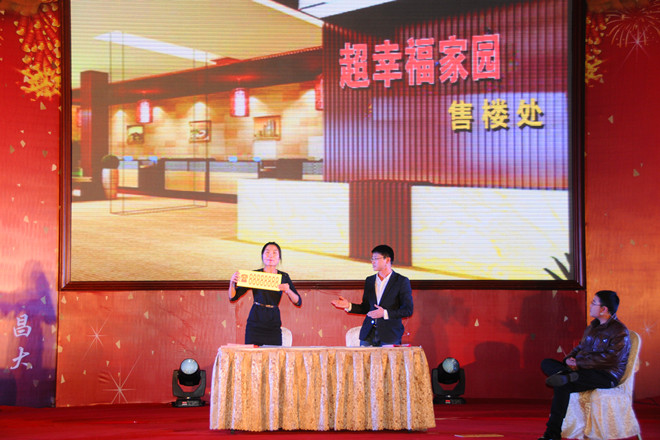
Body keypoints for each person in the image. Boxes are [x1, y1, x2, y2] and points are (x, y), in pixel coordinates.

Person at [538, 290, 631, 440]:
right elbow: (580, 348)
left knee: (563, 384)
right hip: (582, 371)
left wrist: (579, 363)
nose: (590, 306)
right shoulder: (592, 327)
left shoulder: (620, 331)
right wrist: (569, 359)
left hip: (605, 375)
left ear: (604, 309)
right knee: (547, 363)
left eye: (594, 303)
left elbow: (611, 359)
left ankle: (552, 433)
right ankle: (566, 375)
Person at [331, 244, 413, 346]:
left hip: (390, 335)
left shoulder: (401, 281)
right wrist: (349, 306)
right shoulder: (370, 280)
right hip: (368, 334)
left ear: (387, 260)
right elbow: (366, 308)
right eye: (372, 259)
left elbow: (408, 310)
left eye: (376, 259)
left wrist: (384, 313)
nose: (372, 262)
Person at [228, 242, 301, 346]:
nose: (270, 255)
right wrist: (232, 283)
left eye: (274, 253)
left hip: (273, 322)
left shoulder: (283, 276)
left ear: (279, 258)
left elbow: (298, 301)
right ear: (262, 256)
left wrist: (288, 290)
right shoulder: (254, 275)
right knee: (252, 355)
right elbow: (233, 297)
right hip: (255, 321)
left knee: (274, 355)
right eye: (267, 252)